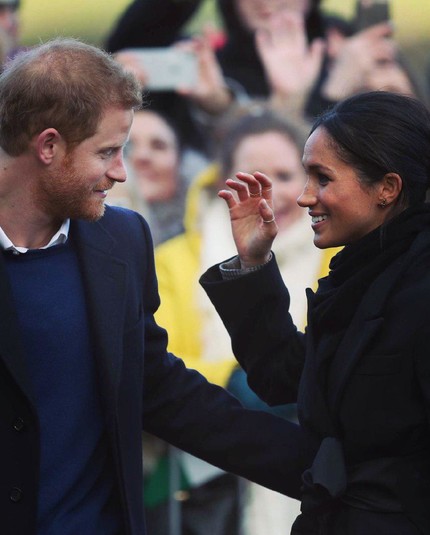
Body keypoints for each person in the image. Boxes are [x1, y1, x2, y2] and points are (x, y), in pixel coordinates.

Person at [0, 37, 315, 535]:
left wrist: (320, 470)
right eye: (107, 152)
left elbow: (161, 390)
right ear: (49, 146)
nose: (121, 172)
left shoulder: (121, 239)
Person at [200, 91, 430, 534]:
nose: (305, 197)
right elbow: (285, 377)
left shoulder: (416, 285)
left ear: (387, 188)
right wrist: (253, 262)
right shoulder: (358, 276)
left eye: (322, 178)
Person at [155, 107, 339, 535]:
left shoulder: (339, 257)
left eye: (286, 175)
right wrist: (234, 377)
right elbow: (158, 359)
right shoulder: (171, 259)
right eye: (253, 177)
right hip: (200, 471)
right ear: (223, 181)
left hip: (312, 468)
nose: (270, 193)